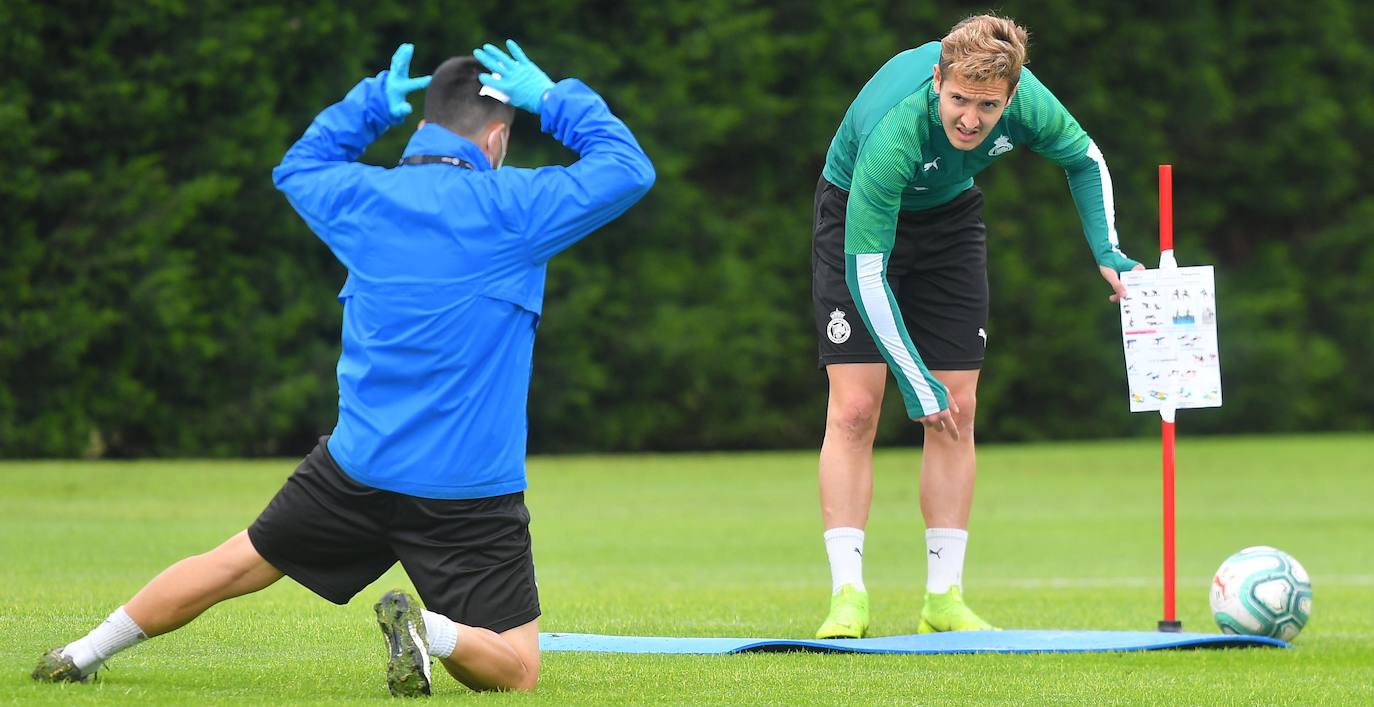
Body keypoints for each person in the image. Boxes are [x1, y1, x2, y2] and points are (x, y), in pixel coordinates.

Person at [32, 40, 654, 695]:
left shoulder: (364, 199)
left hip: (358, 467)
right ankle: (430, 633)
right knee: (518, 669)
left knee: (234, 562)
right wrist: (553, 100)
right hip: (467, 489)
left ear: (419, 126)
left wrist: (366, 106)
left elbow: (297, 167)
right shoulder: (517, 209)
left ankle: (82, 651)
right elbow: (627, 167)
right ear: (496, 139)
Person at [810, 14, 1142, 638]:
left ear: (1011, 97)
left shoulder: (1025, 100)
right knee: (856, 408)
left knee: (957, 405)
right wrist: (915, 382)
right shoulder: (894, 135)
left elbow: (1086, 158)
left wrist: (1106, 248)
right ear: (938, 80)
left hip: (950, 223)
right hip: (857, 221)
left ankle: (944, 598)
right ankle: (847, 596)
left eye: (987, 106)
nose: (970, 118)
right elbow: (868, 274)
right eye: (958, 99)